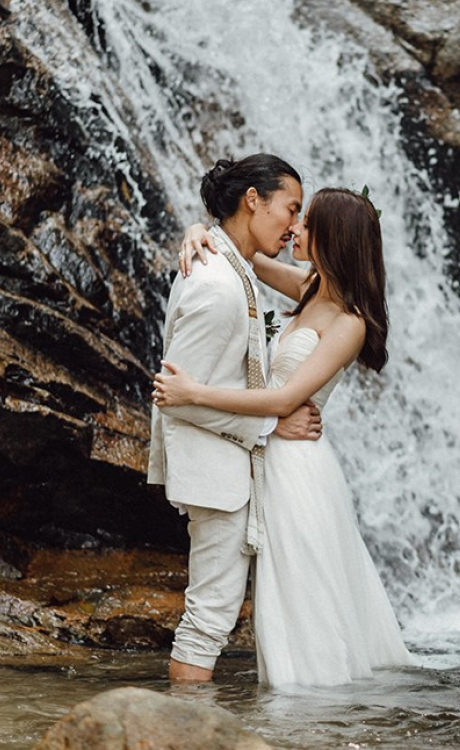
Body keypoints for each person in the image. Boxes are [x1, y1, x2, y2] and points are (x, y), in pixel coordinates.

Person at [153, 187, 413, 687]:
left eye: (307, 221)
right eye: (297, 216)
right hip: (265, 449)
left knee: (301, 597)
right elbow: (238, 255)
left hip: (298, 469)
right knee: (279, 595)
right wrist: (195, 233)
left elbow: (281, 399)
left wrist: (194, 392)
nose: (294, 228)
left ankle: (312, 709)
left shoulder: (349, 323)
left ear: (333, 236)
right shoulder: (312, 289)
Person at [148, 154, 324, 685]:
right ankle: (180, 736)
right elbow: (176, 395)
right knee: (210, 619)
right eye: (290, 208)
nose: (295, 224)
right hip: (216, 474)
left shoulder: (232, 267)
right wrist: (273, 425)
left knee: (213, 615)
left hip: (229, 468)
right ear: (253, 200)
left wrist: (196, 226)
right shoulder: (217, 285)